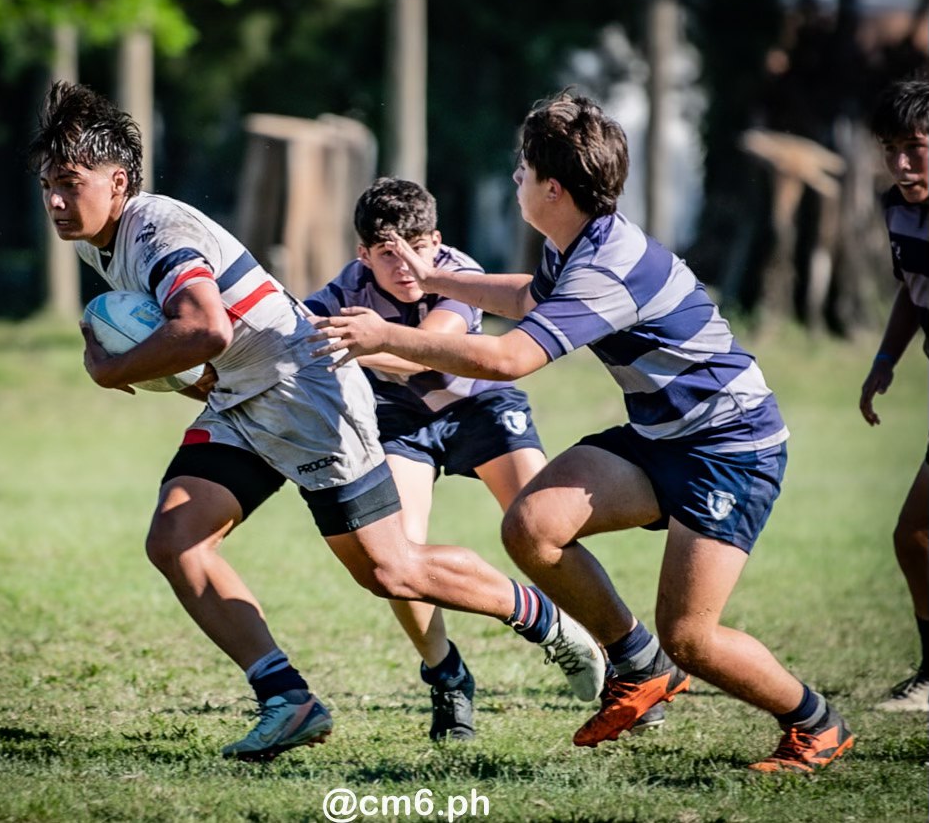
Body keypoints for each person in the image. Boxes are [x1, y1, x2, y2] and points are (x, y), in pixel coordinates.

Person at [27, 81, 606, 761]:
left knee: (390, 571)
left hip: (307, 393)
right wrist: (177, 376)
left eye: (70, 183)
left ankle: (544, 619)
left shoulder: (156, 228)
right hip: (244, 400)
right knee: (176, 537)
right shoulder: (99, 238)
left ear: (117, 180)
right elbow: (199, 344)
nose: (57, 202)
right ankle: (286, 699)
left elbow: (203, 328)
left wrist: (109, 369)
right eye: (48, 186)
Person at [311, 90, 854, 773]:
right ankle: (635, 662)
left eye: (521, 169)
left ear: (553, 187)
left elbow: (511, 359)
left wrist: (385, 334)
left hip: (729, 447)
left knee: (692, 638)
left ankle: (814, 725)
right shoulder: (575, 242)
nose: (514, 179)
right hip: (662, 436)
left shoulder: (606, 266)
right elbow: (522, 299)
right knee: (531, 526)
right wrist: (433, 275)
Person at [305, 176, 662, 740]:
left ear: (437, 241)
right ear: (362, 254)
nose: (405, 267)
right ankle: (448, 677)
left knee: (547, 530)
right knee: (399, 559)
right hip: (398, 421)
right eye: (387, 255)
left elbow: (431, 354)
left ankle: (628, 663)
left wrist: (357, 345)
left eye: (418, 249)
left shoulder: (460, 274)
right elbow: (298, 341)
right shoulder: (343, 290)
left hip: (482, 409)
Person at [859, 78, 929, 713]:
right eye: (890, 149)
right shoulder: (898, 208)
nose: (902, 165)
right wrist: (885, 360)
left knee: (916, 534)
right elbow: (912, 287)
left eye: (916, 146)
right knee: (915, 538)